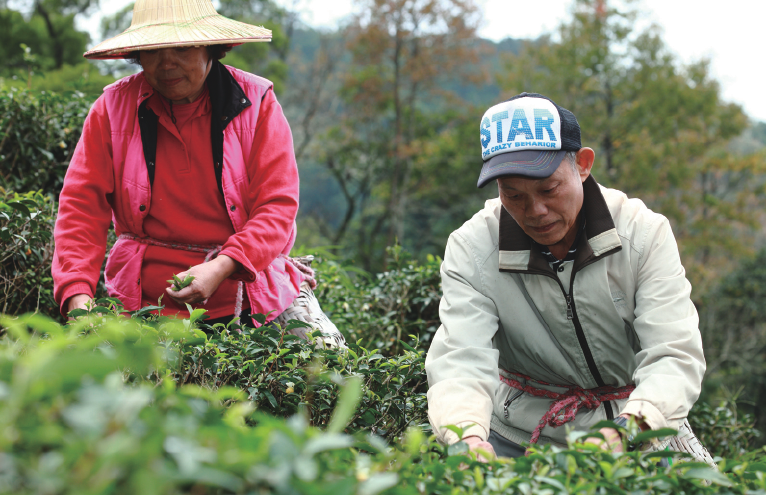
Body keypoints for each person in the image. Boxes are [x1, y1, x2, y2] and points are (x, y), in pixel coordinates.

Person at [425, 92, 707, 459]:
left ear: (583, 164)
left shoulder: (642, 234)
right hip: (518, 435)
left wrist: (628, 429)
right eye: (513, 195)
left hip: (637, 422)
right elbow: (460, 359)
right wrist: (466, 438)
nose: (536, 211)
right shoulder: (473, 248)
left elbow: (674, 355)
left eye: (549, 189)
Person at [52, 0, 344, 347]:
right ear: (138, 55)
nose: (166, 63)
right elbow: (80, 210)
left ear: (210, 47)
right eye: (153, 50)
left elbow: (277, 207)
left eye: (182, 47)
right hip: (146, 301)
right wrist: (78, 299)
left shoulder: (257, 104)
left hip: (249, 289)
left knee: (329, 369)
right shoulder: (112, 109)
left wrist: (221, 266)